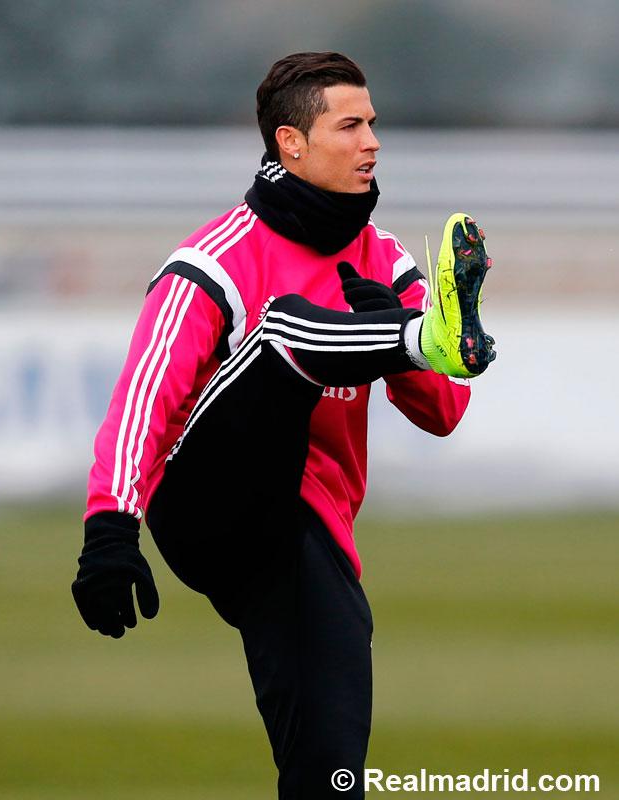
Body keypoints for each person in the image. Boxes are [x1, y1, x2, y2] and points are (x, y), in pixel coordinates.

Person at [72, 51, 495, 799]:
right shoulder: (212, 261)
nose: (373, 142)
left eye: (373, 124)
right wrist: (110, 529)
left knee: (329, 768)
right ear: (291, 143)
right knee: (282, 332)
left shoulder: (384, 257)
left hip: (304, 532)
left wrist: (397, 355)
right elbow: (143, 398)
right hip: (208, 503)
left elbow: (443, 412)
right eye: (350, 125)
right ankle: (416, 335)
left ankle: (412, 339)